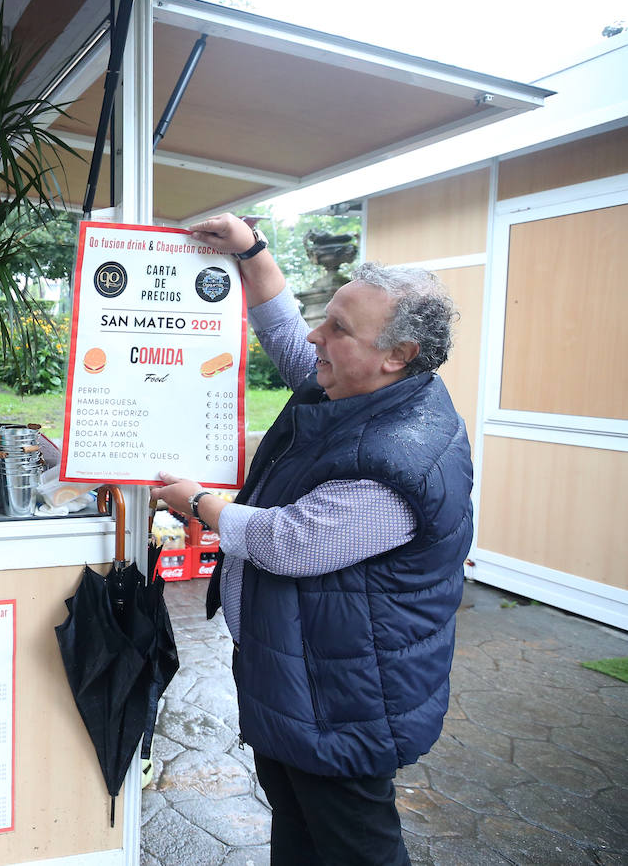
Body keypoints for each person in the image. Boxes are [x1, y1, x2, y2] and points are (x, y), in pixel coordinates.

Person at [151, 212, 473, 866]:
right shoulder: (355, 388)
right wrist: (252, 250)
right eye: (325, 317)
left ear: (398, 355)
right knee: (297, 828)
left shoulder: (401, 454)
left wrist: (198, 502)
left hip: (346, 699)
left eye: (338, 329)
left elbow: (286, 541)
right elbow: (287, 338)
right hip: (302, 679)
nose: (316, 337)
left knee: (355, 845)